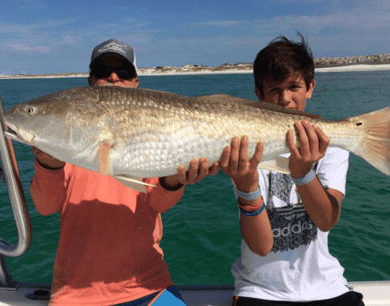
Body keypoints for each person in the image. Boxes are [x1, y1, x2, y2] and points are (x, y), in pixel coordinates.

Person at [30, 39, 218, 306]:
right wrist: (49, 164)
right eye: (103, 72)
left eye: (124, 72)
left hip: (149, 285)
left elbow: (158, 202)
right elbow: (45, 206)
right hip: (76, 294)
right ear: (90, 81)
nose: (114, 77)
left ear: (136, 82)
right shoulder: (65, 139)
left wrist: (175, 179)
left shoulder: (155, 131)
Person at [220, 34, 364, 305]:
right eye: (274, 89)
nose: (285, 99)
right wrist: (246, 185)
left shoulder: (330, 144)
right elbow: (262, 247)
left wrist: (303, 173)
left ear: (310, 87)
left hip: (328, 287)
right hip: (259, 290)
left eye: (294, 87)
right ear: (259, 94)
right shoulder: (247, 146)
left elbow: (327, 220)